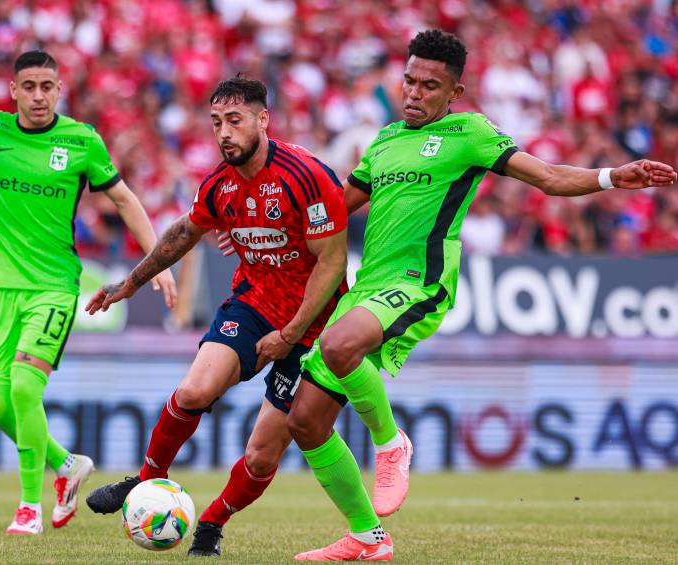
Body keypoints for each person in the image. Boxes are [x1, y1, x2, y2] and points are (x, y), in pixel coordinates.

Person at [286, 29, 677, 561]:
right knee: (304, 422)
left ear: (455, 93)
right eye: (409, 81)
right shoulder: (382, 141)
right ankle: (367, 538)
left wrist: (612, 176)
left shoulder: (470, 133)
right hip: (370, 286)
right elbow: (333, 208)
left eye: (430, 85)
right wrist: (265, 222)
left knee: (337, 345)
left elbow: (550, 177)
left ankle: (390, 443)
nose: (415, 93)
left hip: (418, 283)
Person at [0, 41, 177, 535]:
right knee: (0, 407)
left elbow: (125, 199)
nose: (38, 96)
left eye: (47, 87)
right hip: (2, 289)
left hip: (54, 286)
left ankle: (28, 507)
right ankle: (67, 465)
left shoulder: (81, 140)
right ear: (13, 91)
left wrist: (157, 262)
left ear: (59, 90)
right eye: (28, 87)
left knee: (26, 386)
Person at [84, 76, 348, 557]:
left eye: (235, 120)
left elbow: (333, 262)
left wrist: (289, 336)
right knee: (193, 391)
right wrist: (130, 283)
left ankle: (209, 524)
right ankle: (146, 481)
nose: (224, 132)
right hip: (252, 305)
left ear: (262, 120)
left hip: (314, 325)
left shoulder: (306, 175)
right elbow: (183, 235)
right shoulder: (219, 185)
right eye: (215, 123)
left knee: (261, 454)